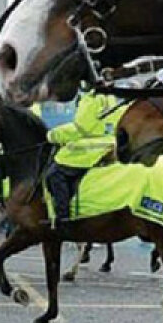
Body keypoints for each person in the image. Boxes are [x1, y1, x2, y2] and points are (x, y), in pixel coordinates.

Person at [44, 87, 122, 228]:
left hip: (89, 151)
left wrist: (53, 135)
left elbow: (81, 128)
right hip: (109, 144)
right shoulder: (111, 97)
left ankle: (64, 219)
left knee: (54, 174)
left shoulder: (91, 98)